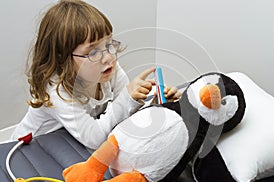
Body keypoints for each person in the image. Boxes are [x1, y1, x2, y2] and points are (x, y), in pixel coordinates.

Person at [11, 0, 181, 150]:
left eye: (109, 44)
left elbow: (125, 111)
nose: (108, 57)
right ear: (63, 59)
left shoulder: (109, 69)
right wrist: (127, 98)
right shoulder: (57, 90)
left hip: (70, 139)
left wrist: (153, 100)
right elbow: (94, 139)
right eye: (93, 52)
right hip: (31, 146)